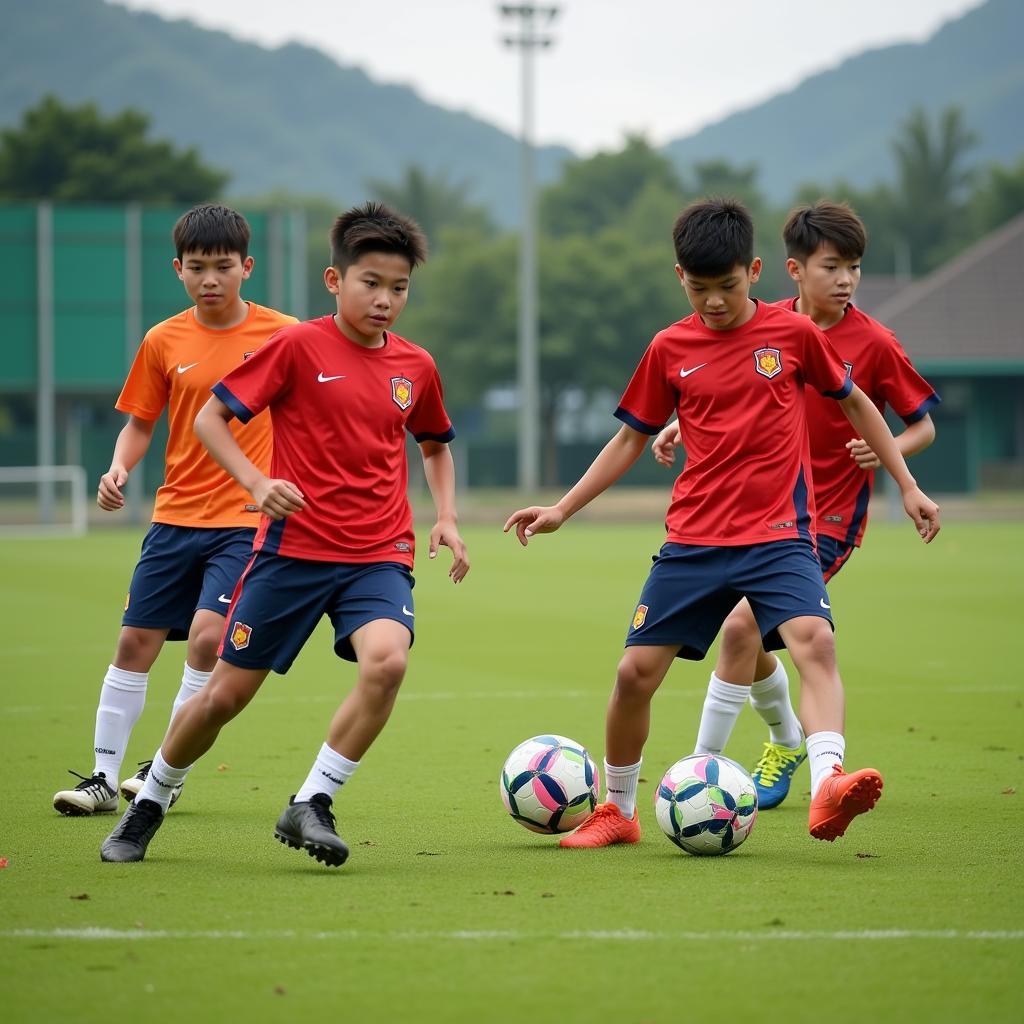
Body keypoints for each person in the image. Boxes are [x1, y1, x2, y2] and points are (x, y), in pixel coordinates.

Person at [504, 198, 940, 848]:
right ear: (679, 276)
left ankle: (828, 786)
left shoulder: (794, 336)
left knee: (814, 641)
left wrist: (907, 485)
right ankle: (619, 811)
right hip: (693, 543)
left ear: (756, 270)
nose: (713, 302)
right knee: (632, 676)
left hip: (779, 537)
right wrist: (563, 507)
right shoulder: (668, 347)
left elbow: (856, 405)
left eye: (727, 286)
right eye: (698, 287)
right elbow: (629, 439)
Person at [99, 201, 470, 867]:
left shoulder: (416, 366)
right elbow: (214, 417)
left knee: (388, 660)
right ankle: (149, 800)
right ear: (335, 281)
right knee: (222, 699)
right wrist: (255, 483)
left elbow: (437, 445)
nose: (386, 300)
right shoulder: (297, 346)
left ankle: (313, 802)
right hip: (290, 553)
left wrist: (444, 515)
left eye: (400, 288)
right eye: (372, 284)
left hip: (378, 554)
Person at [650, 200, 940, 810]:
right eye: (833, 266)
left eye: (854, 269)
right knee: (748, 635)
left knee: (741, 627)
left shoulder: (875, 342)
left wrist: (897, 469)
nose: (845, 280)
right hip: (746, 517)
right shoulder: (763, 322)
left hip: (823, 515)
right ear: (792, 270)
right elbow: (719, 390)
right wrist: (681, 425)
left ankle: (703, 775)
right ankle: (784, 739)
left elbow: (919, 424)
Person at [53, 204, 295, 816]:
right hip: (173, 519)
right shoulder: (163, 339)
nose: (209, 278)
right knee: (135, 641)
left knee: (209, 639)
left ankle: (162, 768)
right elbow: (141, 423)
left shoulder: (283, 335)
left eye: (222, 266)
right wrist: (118, 468)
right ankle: (103, 780)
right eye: (196, 268)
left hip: (245, 521)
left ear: (247, 267)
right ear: (177, 271)